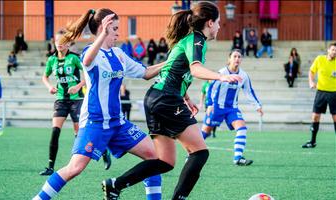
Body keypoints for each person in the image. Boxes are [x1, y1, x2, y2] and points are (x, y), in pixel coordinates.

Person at [104, 2, 241, 200]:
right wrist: (221, 76)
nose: (219, 27)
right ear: (210, 23)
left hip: (156, 98)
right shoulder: (197, 40)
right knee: (200, 153)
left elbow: (174, 71)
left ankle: (115, 185)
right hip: (166, 99)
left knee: (165, 162)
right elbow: (194, 69)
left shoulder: (187, 40)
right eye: (218, 22)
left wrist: (186, 97)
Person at [33, 8, 166, 200]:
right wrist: (103, 33)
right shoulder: (90, 52)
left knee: (156, 158)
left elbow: (145, 72)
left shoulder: (119, 54)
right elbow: (86, 61)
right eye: (114, 29)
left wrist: (171, 61)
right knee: (74, 168)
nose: (118, 33)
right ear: (103, 29)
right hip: (94, 123)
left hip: (118, 124)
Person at [39, 29, 91, 176]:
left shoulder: (74, 58)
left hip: (76, 100)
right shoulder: (52, 60)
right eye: (57, 42)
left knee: (79, 132)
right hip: (61, 99)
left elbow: (88, 73)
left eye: (62, 42)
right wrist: (50, 87)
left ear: (68, 44)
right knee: (55, 131)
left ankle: (97, 155)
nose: (59, 44)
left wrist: (78, 86)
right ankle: (50, 166)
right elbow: (45, 77)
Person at [202, 49, 263, 165]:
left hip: (232, 109)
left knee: (242, 128)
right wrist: (210, 104)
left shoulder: (243, 75)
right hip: (217, 108)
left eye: (239, 57)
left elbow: (249, 91)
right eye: (234, 56)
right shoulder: (222, 72)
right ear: (229, 59)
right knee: (205, 132)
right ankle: (191, 155)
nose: (237, 59)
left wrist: (257, 106)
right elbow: (211, 89)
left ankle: (238, 158)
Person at [302, 43, 336, 148]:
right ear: (328, 50)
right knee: (315, 116)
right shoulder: (320, 59)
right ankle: (312, 142)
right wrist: (311, 82)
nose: (334, 52)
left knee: (335, 118)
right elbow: (311, 71)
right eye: (333, 50)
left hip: (334, 93)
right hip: (321, 92)